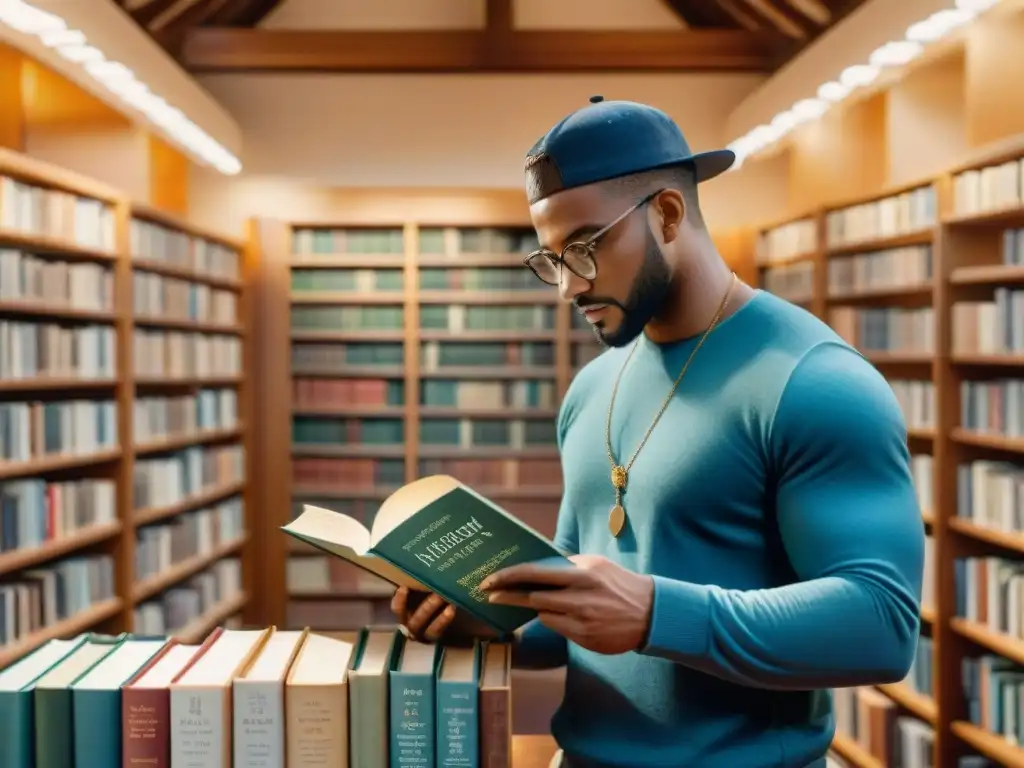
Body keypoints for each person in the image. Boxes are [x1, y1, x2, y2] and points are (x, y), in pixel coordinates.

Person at [392, 96, 925, 768]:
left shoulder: (815, 383)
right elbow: (582, 619)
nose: (568, 287)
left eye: (584, 247)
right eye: (552, 259)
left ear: (668, 214)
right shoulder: (593, 387)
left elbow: (881, 626)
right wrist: (488, 627)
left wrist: (653, 614)